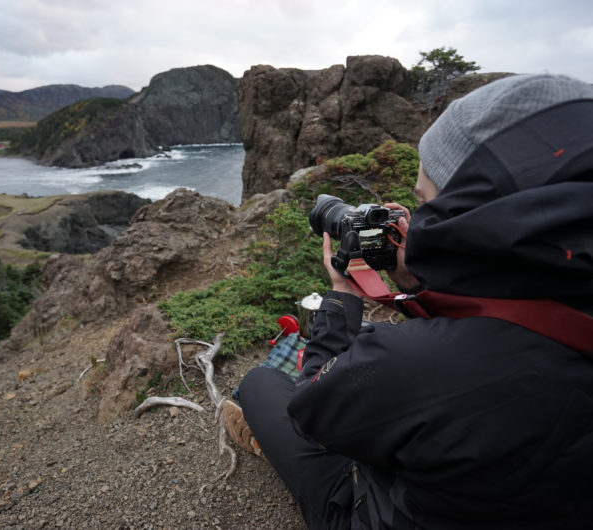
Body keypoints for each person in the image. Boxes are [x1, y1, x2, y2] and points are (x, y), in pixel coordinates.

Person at [227, 74, 593, 529]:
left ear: (471, 212)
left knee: (264, 385)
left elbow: (314, 407)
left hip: (402, 511)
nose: (418, 223)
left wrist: (343, 295)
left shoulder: (408, 364)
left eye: (427, 205)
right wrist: (420, 279)